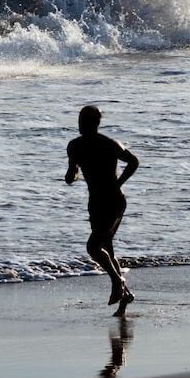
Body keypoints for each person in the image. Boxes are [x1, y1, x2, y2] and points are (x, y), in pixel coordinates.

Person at [65, 105, 139, 316]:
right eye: (79, 119)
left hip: (114, 201)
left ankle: (118, 281)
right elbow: (73, 172)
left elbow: (133, 161)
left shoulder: (109, 144)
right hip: (95, 203)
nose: (80, 124)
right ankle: (125, 296)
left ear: (95, 123)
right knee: (107, 249)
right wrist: (71, 176)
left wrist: (118, 184)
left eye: (85, 121)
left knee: (93, 247)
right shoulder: (74, 146)